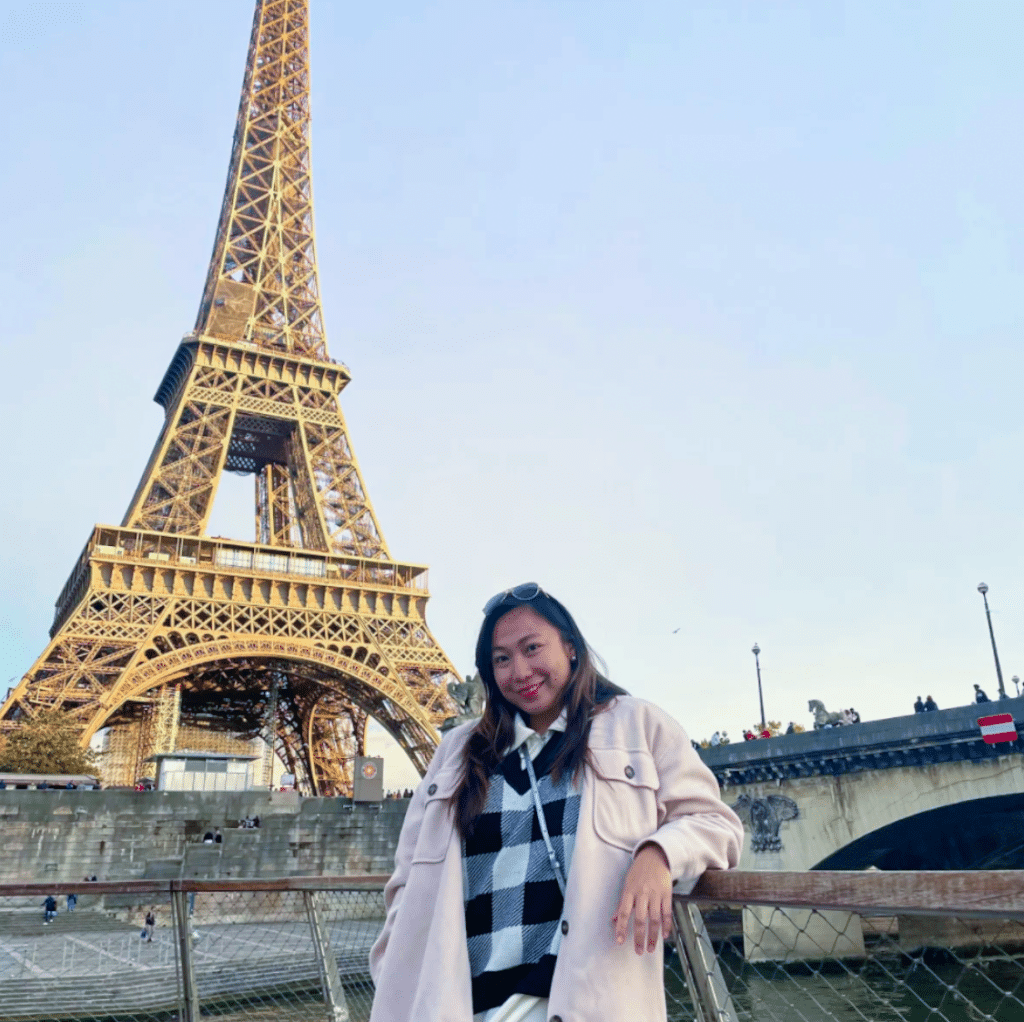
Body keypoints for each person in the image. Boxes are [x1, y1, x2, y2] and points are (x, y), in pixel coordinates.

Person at [369, 583, 743, 1022]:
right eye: (501, 659)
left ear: (570, 647)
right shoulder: (456, 750)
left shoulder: (637, 724)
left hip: (581, 1002)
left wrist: (658, 855)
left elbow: (714, 822)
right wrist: (393, 971)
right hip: (463, 1006)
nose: (520, 671)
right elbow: (407, 882)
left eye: (532, 648)